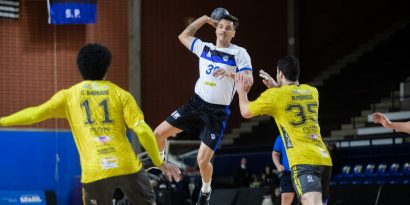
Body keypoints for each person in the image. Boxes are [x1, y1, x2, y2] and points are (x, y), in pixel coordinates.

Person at [0, 44, 181, 205]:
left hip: (95, 170)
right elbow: (142, 130)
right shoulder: (121, 94)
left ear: (80, 68)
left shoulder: (68, 96)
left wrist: (2, 121)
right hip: (127, 166)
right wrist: (159, 162)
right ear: (106, 68)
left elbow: (35, 114)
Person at [150, 10, 253, 205]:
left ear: (233, 33)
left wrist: (231, 75)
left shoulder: (239, 53)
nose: (223, 30)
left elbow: (248, 81)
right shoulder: (204, 48)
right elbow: (183, 36)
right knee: (158, 133)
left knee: (202, 161)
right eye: (220, 26)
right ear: (216, 29)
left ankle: (206, 190)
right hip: (196, 104)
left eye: (228, 28)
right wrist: (205, 20)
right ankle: (161, 165)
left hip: (217, 112)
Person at [235, 56, 332, 205]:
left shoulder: (275, 96)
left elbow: (245, 111)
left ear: (280, 74)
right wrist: (277, 88)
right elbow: (291, 98)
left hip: (303, 160)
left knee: (312, 202)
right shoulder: (312, 91)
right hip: (324, 160)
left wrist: (242, 92)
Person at [272, 135, 296, 205]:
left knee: (306, 199)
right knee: (285, 201)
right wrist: (278, 165)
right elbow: (275, 153)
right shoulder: (281, 137)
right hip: (287, 174)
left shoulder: (301, 133)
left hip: (303, 172)